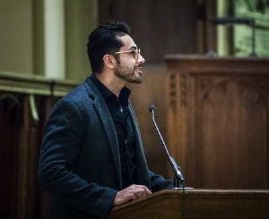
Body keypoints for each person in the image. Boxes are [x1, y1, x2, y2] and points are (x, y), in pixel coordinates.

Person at [38, 21, 173, 219]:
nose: (141, 59)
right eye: (133, 53)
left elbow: (129, 169)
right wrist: (109, 197)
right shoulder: (74, 106)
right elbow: (51, 173)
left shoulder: (123, 103)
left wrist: (175, 189)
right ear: (110, 61)